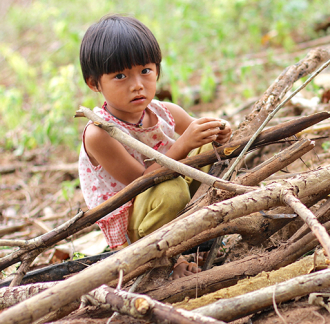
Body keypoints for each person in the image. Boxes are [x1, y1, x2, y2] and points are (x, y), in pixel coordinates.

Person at [77, 14, 231, 271]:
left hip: (170, 201)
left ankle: (205, 229)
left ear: (157, 69)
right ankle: (165, 260)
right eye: (120, 76)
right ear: (94, 83)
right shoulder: (100, 133)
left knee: (206, 146)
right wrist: (182, 144)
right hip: (139, 221)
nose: (137, 85)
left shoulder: (164, 112)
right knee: (172, 191)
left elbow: (205, 132)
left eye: (145, 71)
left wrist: (221, 132)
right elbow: (141, 182)